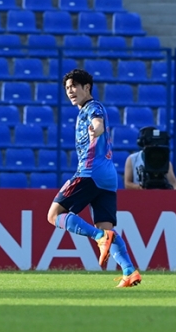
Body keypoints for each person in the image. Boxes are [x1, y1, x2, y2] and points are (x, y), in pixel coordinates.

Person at [46, 69, 142, 288]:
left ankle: (98, 237)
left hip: (91, 172)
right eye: (67, 88)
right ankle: (129, 271)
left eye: (74, 86)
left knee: (53, 215)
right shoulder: (86, 109)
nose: (70, 91)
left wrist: (95, 130)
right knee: (107, 228)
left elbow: (97, 123)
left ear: (86, 87)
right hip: (108, 176)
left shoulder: (92, 107)